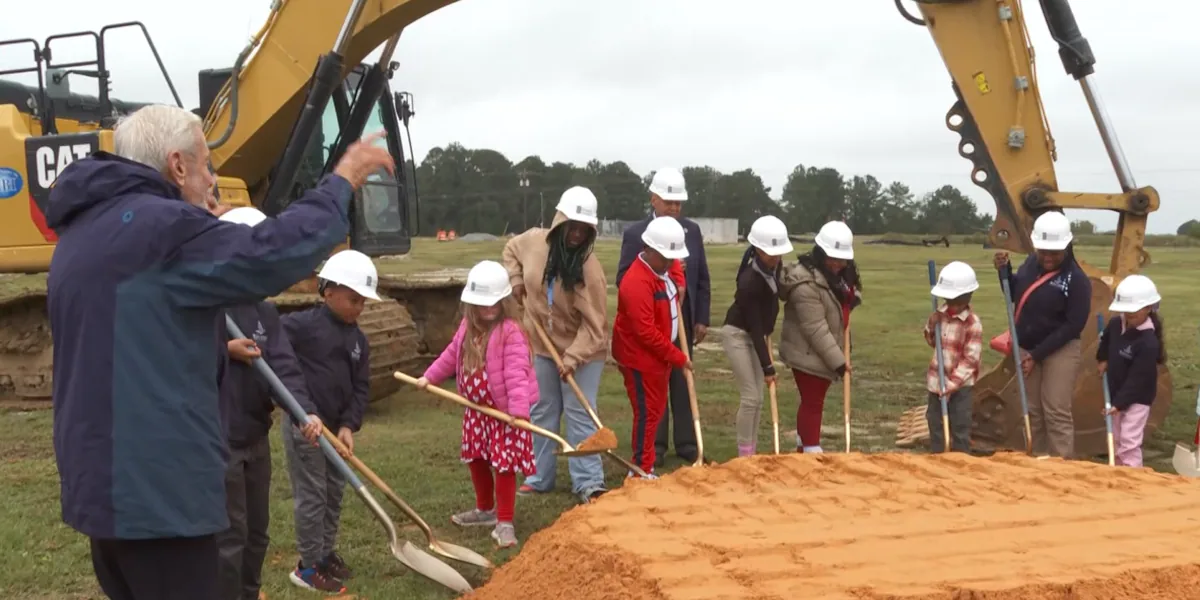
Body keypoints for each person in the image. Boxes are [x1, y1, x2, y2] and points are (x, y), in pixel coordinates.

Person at [44, 103, 392, 600]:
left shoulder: (81, 237)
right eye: (206, 164)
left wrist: (202, 238)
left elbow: (148, 335)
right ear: (177, 165)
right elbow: (272, 254)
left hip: (101, 490)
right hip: (161, 499)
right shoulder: (162, 229)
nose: (213, 179)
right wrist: (341, 182)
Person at [213, 206, 324, 600]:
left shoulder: (263, 310)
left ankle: (249, 591)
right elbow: (174, 353)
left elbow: (285, 367)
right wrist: (224, 348)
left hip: (254, 438)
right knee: (229, 535)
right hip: (218, 439)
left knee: (257, 532)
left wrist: (304, 411)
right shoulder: (206, 304)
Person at [415, 260, 538, 548]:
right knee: (478, 459)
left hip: (504, 414)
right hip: (477, 413)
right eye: (481, 303)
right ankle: (485, 510)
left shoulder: (511, 332)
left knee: (504, 465)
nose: (488, 309)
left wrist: (518, 413)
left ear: (504, 300)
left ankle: (505, 522)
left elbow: (517, 375)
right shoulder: (468, 327)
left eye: (494, 302)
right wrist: (429, 377)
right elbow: (450, 355)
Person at [501, 186, 609, 504]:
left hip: (584, 349)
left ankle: (589, 482)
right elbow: (510, 250)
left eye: (583, 229)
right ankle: (539, 476)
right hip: (541, 342)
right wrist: (516, 281)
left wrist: (573, 358)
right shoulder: (534, 241)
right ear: (559, 221)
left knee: (579, 410)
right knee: (543, 407)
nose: (576, 234)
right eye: (571, 226)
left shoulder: (590, 272)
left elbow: (596, 327)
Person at [279, 249, 377, 593]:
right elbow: (275, 354)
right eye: (354, 300)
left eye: (363, 302)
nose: (360, 308)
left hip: (336, 431)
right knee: (313, 496)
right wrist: (301, 410)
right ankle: (306, 567)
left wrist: (349, 425)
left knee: (334, 493)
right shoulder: (303, 325)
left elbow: (361, 387)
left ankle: (324, 553)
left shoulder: (358, 341)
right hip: (306, 429)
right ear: (329, 292)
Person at [616, 167, 711, 467]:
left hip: (681, 316)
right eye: (668, 201)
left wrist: (701, 317)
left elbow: (702, 277)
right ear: (653, 199)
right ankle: (653, 446)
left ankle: (687, 443)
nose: (674, 208)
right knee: (654, 382)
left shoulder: (691, 231)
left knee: (682, 381)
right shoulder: (636, 234)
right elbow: (625, 278)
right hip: (651, 318)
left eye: (678, 203)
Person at [993, 211, 1091, 458]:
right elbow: (1015, 293)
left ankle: (1062, 464)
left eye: (1054, 253)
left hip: (1060, 350)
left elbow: (1073, 324)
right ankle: (1037, 459)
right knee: (1032, 409)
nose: (1048, 257)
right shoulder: (1029, 264)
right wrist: (1004, 272)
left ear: (1067, 247)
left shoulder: (1077, 280)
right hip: (1028, 348)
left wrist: (1037, 355)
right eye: (1043, 251)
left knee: (1056, 409)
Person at [612, 216, 694, 476]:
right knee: (647, 413)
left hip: (658, 358)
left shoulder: (662, 267)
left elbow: (676, 268)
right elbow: (645, 332)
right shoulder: (635, 283)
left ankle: (643, 464)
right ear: (649, 249)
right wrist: (678, 357)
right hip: (639, 358)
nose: (670, 263)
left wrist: (679, 282)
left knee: (656, 410)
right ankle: (639, 468)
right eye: (666, 258)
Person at [777, 220, 862, 453]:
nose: (836, 263)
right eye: (831, 257)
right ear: (820, 252)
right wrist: (839, 362)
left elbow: (840, 309)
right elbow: (816, 329)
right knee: (813, 402)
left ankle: (804, 447)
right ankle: (812, 451)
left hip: (822, 349)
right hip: (807, 352)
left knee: (811, 401)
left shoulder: (841, 278)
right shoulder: (806, 284)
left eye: (841, 258)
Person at [721, 215, 792, 457]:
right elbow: (754, 327)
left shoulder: (774, 268)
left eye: (778, 252)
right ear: (757, 249)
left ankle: (752, 450)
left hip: (758, 333)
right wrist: (768, 367)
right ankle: (744, 454)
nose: (776, 257)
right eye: (770, 253)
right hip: (738, 334)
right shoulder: (749, 281)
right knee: (750, 396)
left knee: (760, 399)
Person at [1097, 274, 1164, 468]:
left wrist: (1118, 404)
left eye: (1133, 313)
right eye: (1125, 311)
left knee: (1129, 440)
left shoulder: (1148, 342)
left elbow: (1138, 380)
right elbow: (1106, 340)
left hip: (1137, 398)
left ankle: (1134, 477)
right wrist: (1102, 359)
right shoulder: (1116, 324)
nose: (1128, 316)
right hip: (1117, 391)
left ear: (1148, 308)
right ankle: (1119, 472)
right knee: (1116, 438)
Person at [922, 261, 984, 454]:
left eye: (956, 302)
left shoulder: (973, 324)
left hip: (960, 387)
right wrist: (931, 326)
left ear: (967, 297)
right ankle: (938, 456)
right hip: (936, 382)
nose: (951, 306)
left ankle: (960, 460)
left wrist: (950, 386)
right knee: (935, 421)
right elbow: (933, 342)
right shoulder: (939, 316)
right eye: (948, 301)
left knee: (960, 425)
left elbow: (970, 361)